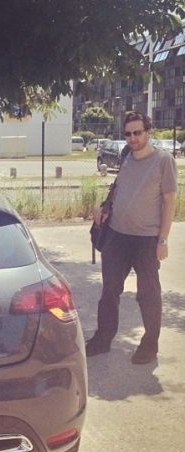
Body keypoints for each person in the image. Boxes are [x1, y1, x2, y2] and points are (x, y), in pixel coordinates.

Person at [86, 111, 177, 364]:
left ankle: (150, 345)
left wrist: (163, 239)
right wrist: (103, 209)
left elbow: (169, 201)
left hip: (147, 239)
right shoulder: (126, 155)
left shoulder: (163, 161)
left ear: (149, 132)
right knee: (109, 290)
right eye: (128, 134)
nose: (133, 138)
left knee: (148, 294)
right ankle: (103, 339)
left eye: (137, 132)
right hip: (117, 236)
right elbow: (118, 191)